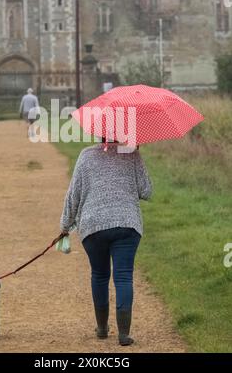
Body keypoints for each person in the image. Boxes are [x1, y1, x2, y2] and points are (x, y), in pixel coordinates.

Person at [60, 141, 152, 346]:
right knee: (123, 276)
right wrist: (136, 154)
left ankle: (102, 328)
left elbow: (73, 194)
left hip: (93, 226)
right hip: (127, 225)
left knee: (100, 275)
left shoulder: (85, 156)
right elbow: (146, 191)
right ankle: (124, 334)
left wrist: (65, 225)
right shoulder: (131, 154)